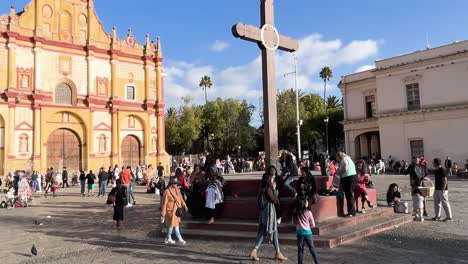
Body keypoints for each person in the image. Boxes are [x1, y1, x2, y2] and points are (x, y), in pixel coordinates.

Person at [249, 172, 287, 262]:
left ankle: (278, 252)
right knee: (265, 230)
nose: (273, 180)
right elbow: (274, 200)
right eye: (272, 179)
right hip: (269, 211)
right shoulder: (268, 189)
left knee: (274, 230)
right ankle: (255, 250)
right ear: (268, 180)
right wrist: (274, 189)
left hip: (264, 211)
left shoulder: (262, 189)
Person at [292, 198, 320, 264]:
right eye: (306, 202)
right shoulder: (308, 212)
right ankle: (317, 262)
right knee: (312, 249)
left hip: (299, 233)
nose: (307, 203)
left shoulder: (296, 213)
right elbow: (313, 224)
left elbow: (293, 222)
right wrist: (308, 227)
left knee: (300, 250)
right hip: (308, 233)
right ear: (304, 204)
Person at [161, 176, 188, 245]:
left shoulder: (177, 190)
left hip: (177, 211)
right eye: (175, 183)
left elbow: (181, 198)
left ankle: (168, 238)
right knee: (172, 225)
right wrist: (163, 213)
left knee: (175, 225)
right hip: (170, 211)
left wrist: (184, 205)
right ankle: (179, 239)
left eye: (177, 183)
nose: (176, 185)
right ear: (171, 183)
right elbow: (164, 203)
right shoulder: (167, 192)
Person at [335, 152, 357, 217]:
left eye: (337, 158)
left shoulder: (344, 160)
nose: (337, 160)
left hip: (349, 178)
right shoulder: (348, 159)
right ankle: (351, 211)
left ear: (339, 157)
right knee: (349, 194)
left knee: (349, 195)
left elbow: (346, 168)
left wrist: (339, 173)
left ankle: (351, 212)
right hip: (351, 177)